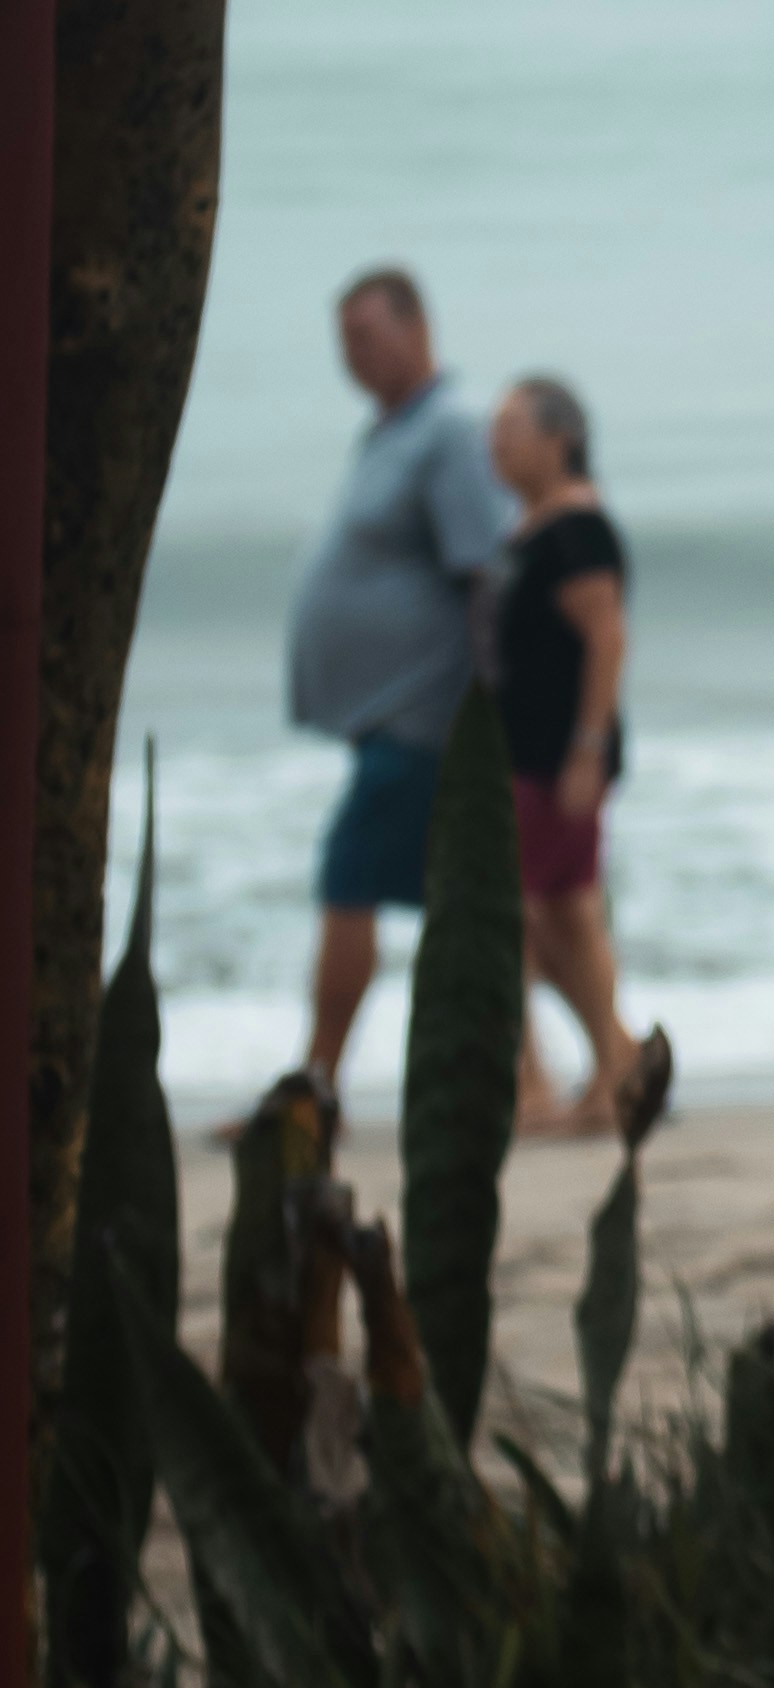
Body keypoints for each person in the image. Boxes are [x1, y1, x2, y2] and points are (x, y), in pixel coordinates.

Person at [287, 266, 513, 1114]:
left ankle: (316, 1087)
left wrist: (492, 718)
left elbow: (485, 575)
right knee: (481, 908)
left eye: (365, 334)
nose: (352, 356)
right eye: (342, 340)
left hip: (424, 720)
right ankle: (588, 1063)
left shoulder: (450, 431)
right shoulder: (391, 431)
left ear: (416, 329)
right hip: (396, 722)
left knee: (349, 878)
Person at [489, 373, 669, 1139]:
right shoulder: (533, 526)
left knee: (537, 914)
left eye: (510, 430)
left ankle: (557, 1076)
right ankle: (609, 1069)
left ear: (559, 439)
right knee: (555, 915)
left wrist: (588, 748)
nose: (495, 446)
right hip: (524, 752)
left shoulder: (577, 531)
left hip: (557, 758)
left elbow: (607, 636)